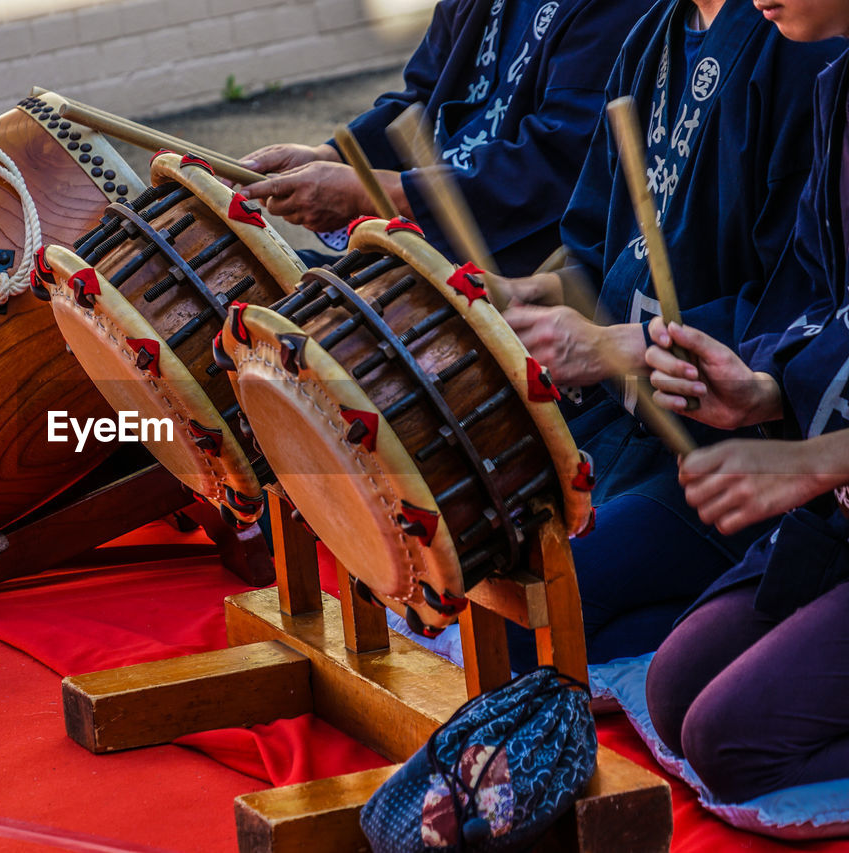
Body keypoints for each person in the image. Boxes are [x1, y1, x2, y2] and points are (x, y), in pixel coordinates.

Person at [493, 0, 842, 671]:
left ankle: (742, 626)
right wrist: (540, 293)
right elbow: (593, 249)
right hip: (624, 416)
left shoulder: (804, 43)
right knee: (485, 565)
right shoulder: (652, 35)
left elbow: (802, 309)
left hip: (728, 448)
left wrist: (612, 345)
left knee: (534, 616)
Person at [638, 0, 849, 802]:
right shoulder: (840, 80)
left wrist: (812, 459)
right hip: (836, 502)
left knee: (730, 742)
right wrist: (756, 393)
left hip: (831, 474)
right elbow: (823, 300)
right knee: (672, 692)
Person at [237, 0, 654, 275]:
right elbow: (421, 95)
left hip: (506, 272)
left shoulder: (615, 10)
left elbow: (555, 167)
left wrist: (370, 193)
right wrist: (330, 156)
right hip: (423, 245)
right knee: (247, 279)